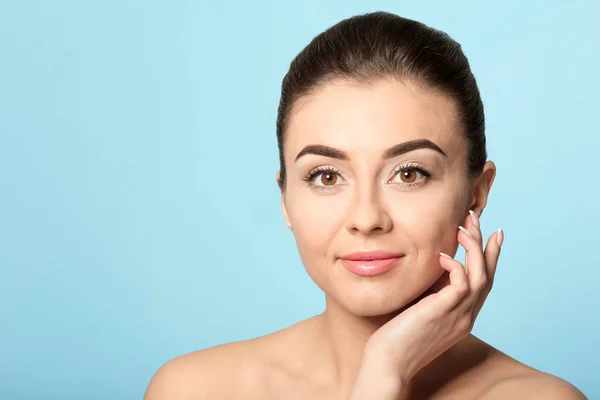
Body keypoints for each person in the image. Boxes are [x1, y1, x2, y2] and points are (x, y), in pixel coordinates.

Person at [144, 11, 587, 399]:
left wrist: (389, 367)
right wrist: (380, 379)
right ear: (285, 197)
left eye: (409, 173)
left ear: (477, 193)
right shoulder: (193, 390)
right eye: (327, 176)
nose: (366, 219)